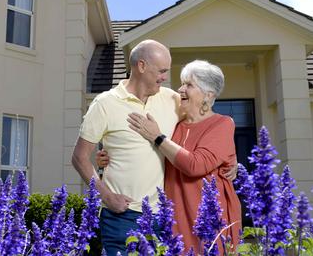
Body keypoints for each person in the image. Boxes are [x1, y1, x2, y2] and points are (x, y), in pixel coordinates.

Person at [118, 60, 242, 253]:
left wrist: (156, 137)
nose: (181, 89)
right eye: (182, 83)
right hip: (175, 218)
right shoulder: (175, 125)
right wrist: (108, 157)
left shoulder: (222, 124)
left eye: (189, 85)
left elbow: (195, 165)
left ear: (208, 95)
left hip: (209, 221)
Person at [71, 40, 181, 256]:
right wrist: (108, 197)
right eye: (161, 71)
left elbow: (205, 118)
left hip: (161, 216)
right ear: (141, 66)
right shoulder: (105, 104)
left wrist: (228, 158)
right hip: (121, 216)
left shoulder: (172, 99)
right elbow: (79, 157)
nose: (165, 77)